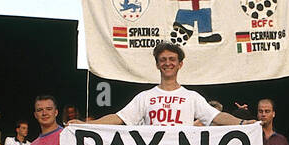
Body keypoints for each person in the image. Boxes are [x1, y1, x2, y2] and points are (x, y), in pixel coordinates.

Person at [82, 43, 245, 126]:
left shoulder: (191, 97)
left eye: (172, 59)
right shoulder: (145, 97)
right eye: (163, 60)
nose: (168, 63)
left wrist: (243, 123)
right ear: (157, 65)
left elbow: (217, 117)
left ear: (180, 64)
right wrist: (87, 125)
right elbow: (119, 118)